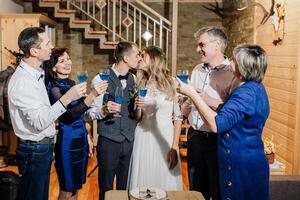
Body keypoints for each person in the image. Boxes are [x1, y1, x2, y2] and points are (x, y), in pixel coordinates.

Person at [177, 44, 270, 200]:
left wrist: (193, 94)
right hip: (246, 159)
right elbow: (233, 113)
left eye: (234, 59)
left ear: (243, 66)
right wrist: (208, 100)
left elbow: (216, 124)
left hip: (241, 165)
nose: (230, 60)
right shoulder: (254, 87)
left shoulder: (245, 92)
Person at [7, 27, 86, 200]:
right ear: (34, 51)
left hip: (42, 147)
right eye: (47, 43)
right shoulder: (23, 82)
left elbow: (44, 110)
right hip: (33, 150)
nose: (52, 47)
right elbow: (39, 122)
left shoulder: (38, 73)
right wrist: (67, 98)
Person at [42, 47, 108, 200]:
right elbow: (69, 116)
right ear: (53, 66)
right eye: (62, 61)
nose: (68, 62)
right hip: (67, 142)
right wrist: (92, 95)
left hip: (81, 140)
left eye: (68, 58)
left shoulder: (71, 82)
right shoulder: (54, 88)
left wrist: (87, 136)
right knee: (67, 189)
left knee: (77, 187)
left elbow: (79, 115)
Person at [181, 26, 236, 200]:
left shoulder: (233, 73)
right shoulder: (197, 69)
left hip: (217, 140)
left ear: (217, 45)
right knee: (196, 192)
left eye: (201, 45)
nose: (198, 49)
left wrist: (206, 100)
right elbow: (190, 101)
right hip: (194, 137)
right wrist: (185, 106)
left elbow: (233, 109)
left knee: (218, 189)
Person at [86, 41, 141, 200]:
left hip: (130, 139)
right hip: (109, 140)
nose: (139, 58)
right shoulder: (101, 78)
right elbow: (89, 113)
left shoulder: (134, 79)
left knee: (126, 186)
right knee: (106, 186)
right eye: (137, 54)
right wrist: (103, 110)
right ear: (126, 58)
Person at [127, 46, 183, 191]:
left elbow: (178, 117)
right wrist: (138, 106)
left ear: (154, 59)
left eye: (142, 55)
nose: (139, 58)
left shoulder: (172, 83)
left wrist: (174, 147)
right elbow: (138, 118)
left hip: (165, 136)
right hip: (143, 137)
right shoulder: (141, 83)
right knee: (144, 181)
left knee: (165, 177)